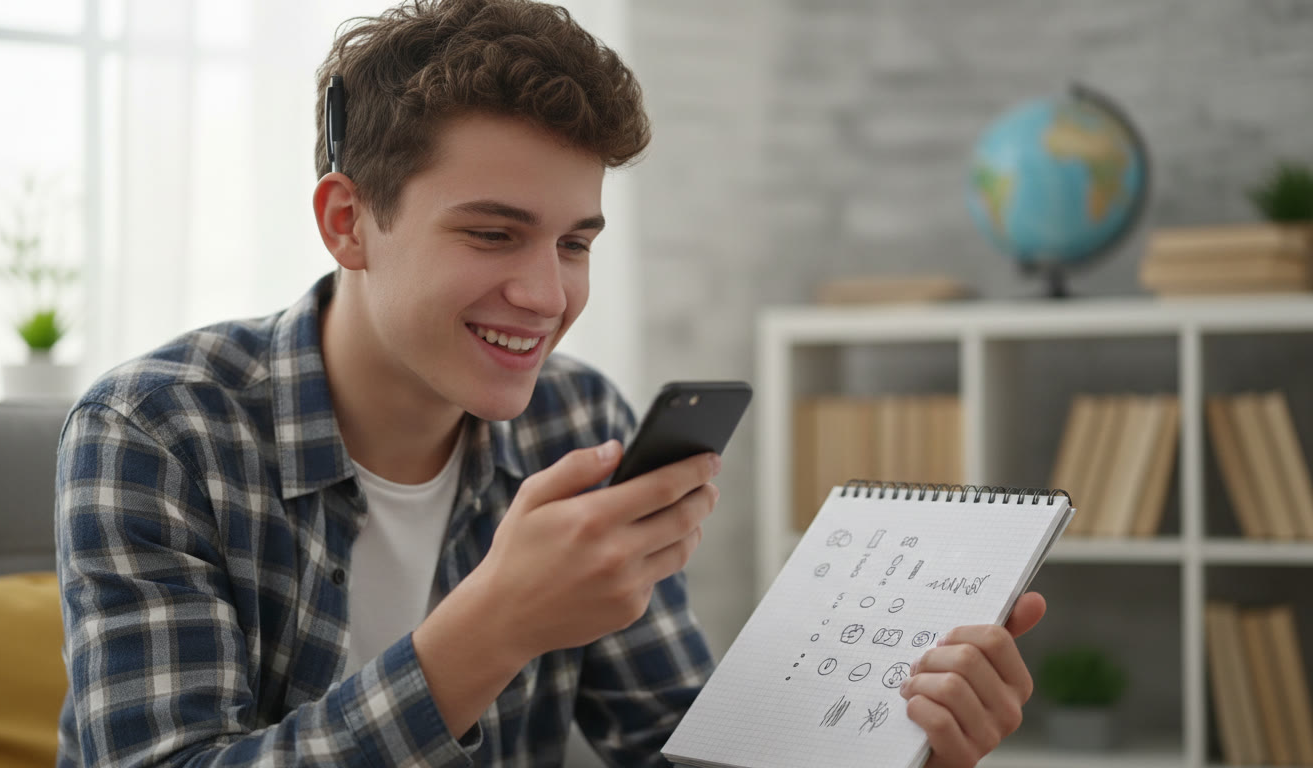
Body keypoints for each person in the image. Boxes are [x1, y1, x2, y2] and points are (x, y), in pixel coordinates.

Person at [53, 1, 1046, 765]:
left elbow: (672, 746)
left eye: (576, 242)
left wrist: (908, 742)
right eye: (493, 233)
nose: (546, 293)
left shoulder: (579, 419)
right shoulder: (154, 435)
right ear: (347, 221)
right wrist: (496, 624)